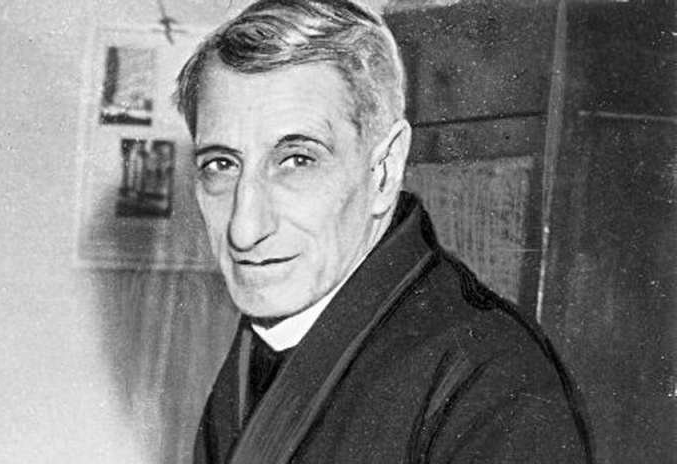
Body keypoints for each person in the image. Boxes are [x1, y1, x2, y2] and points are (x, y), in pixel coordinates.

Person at [174, 1, 593, 462]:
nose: (244, 228)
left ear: (384, 171)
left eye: (297, 160)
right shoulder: (266, 342)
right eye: (221, 164)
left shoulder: (492, 383)